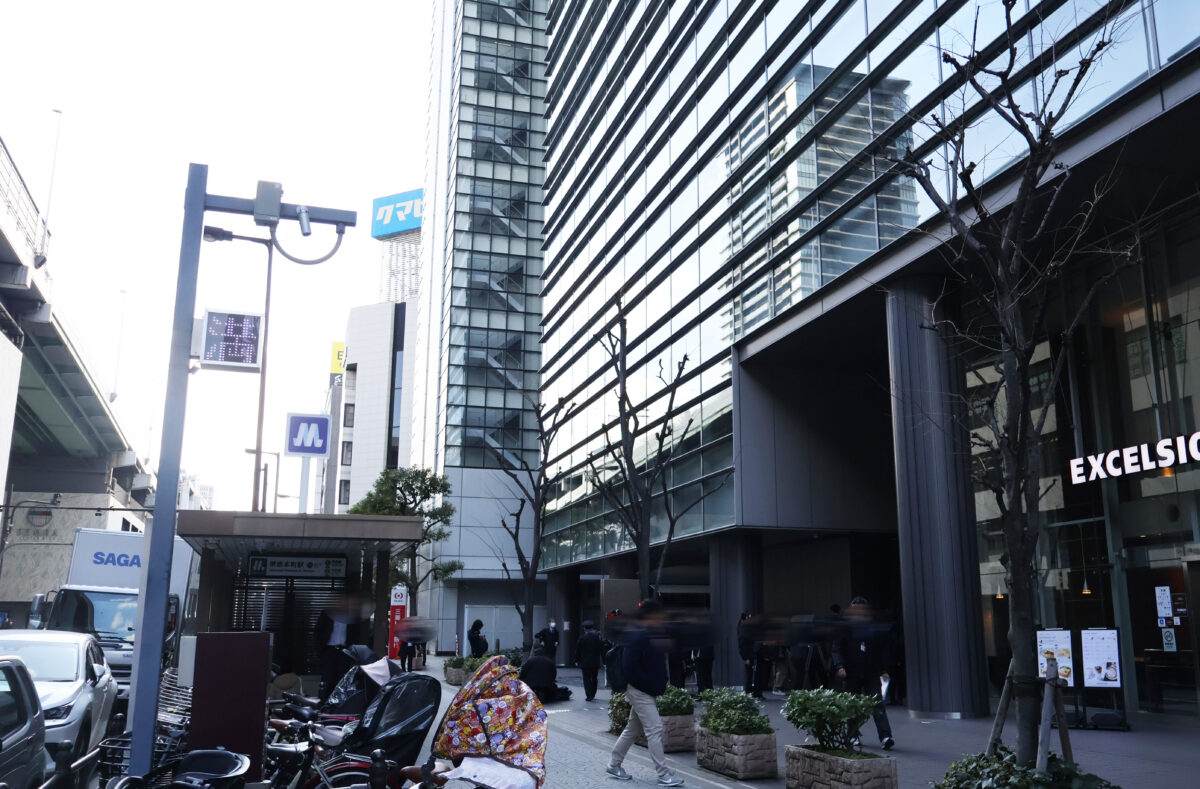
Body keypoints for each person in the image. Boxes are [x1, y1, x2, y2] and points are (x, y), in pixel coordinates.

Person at [605, 599, 684, 787]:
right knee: (655, 729)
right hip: (639, 690)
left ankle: (614, 764)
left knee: (632, 728)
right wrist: (649, 686)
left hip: (644, 689)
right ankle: (663, 774)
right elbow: (629, 667)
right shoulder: (637, 634)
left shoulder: (647, 632)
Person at [833, 596, 894, 750]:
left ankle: (885, 736)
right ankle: (853, 735)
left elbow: (879, 651)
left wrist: (883, 670)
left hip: (871, 672)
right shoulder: (844, 628)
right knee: (852, 705)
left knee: (877, 703)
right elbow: (837, 649)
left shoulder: (872, 627)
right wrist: (840, 666)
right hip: (852, 673)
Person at [315, 594, 366, 699]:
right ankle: (324, 701)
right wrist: (320, 649)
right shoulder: (327, 614)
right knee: (327, 679)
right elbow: (318, 631)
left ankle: (338, 702)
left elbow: (356, 634)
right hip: (329, 650)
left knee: (341, 679)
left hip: (343, 651)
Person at [574, 620, 608, 701]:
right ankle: (593, 694)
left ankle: (589, 695)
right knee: (594, 678)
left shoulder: (582, 638)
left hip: (585, 662)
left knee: (586, 678)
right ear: (592, 628)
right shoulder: (597, 638)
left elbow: (578, 650)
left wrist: (576, 660)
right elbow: (602, 650)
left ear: (584, 629)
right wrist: (604, 661)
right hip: (595, 662)